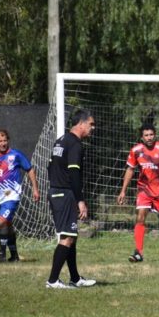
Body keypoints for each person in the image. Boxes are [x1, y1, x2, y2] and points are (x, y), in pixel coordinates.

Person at [45, 109, 97, 289]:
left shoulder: (61, 140)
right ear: (81, 124)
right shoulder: (75, 144)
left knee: (71, 236)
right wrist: (80, 200)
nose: (93, 128)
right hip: (64, 193)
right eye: (91, 124)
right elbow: (74, 173)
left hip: (56, 191)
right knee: (67, 238)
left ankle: (75, 278)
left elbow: (49, 166)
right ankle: (52, 281)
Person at [0, 129, 40, 263]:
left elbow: (30, 170)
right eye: (0, 141)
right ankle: (14, 256)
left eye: (5, 140)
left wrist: (35, 189)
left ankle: (2, 254)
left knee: (2, 221)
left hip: (12, 196)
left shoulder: (15, 155)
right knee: (6, 226)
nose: (4, 143)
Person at [117, 123, 159, 263]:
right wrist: (123, 191)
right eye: (146, 135)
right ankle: (138, 253)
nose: (149, 137)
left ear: (155, 135)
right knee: (140, 217)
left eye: (151, 135)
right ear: (141, 137)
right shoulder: (136, 150)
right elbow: (130, 169)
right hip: (144, 189)